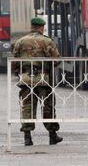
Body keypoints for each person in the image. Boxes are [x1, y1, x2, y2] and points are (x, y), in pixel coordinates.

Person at [12, 17, 63, 146]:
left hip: (26, 79)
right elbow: (56, 60)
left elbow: (15, 62)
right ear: (41, 27)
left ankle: (27, 138)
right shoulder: (47, 41)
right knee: (48, 106)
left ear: (31, 26)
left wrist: (19, 73)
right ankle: (52, 135)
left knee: (27, 107)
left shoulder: (20, 42)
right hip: (43, 79)